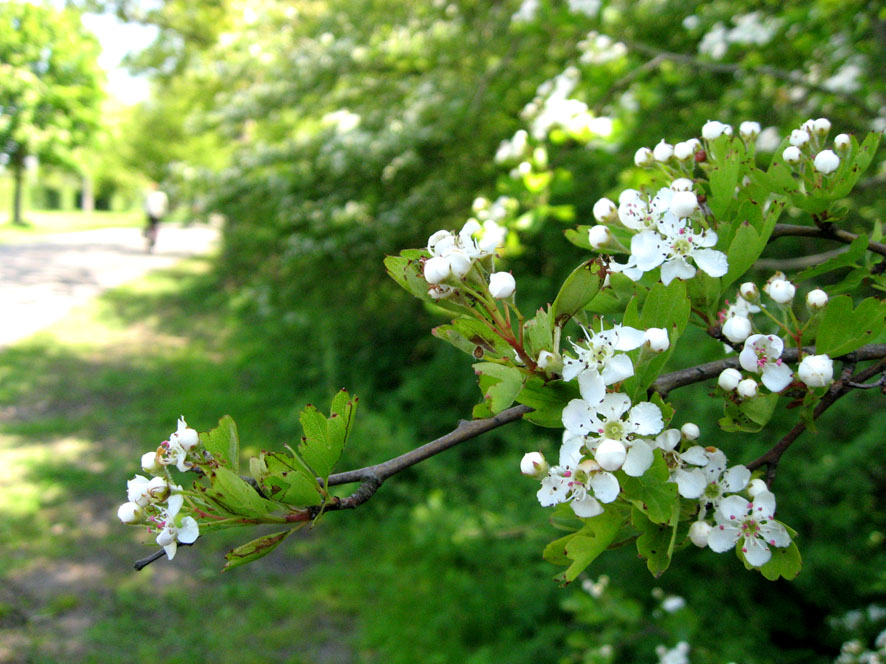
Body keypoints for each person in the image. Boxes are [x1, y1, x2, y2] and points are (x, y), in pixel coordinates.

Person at [143, 184, 169, 252]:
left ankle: (150, 238)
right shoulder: (162, 195)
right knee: (155, 227)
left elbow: (146, 205)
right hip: (158, 213)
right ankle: (152, 240)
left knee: (152, 226)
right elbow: (165, 204)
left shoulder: (150, 195)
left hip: (151, 213)